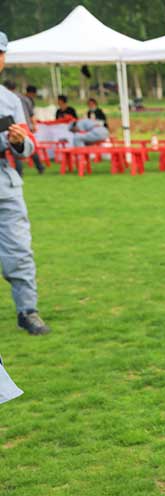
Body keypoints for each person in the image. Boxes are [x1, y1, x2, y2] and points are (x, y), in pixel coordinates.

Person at [0, 31, 51, 335]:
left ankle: (27, 310)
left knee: (20, 251)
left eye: (1, 53)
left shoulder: (10, 100)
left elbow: (29, 146)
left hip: (6, 183)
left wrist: (19, 143)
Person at [2, 80, 44, 176]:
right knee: (27, 147)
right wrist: (34, 125)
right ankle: (40, 167)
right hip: (25, 126)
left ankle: (20, 172)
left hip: (16, 127)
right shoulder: (24, 99)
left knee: (18, 147)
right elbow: (32, 114)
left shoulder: (10, 98)